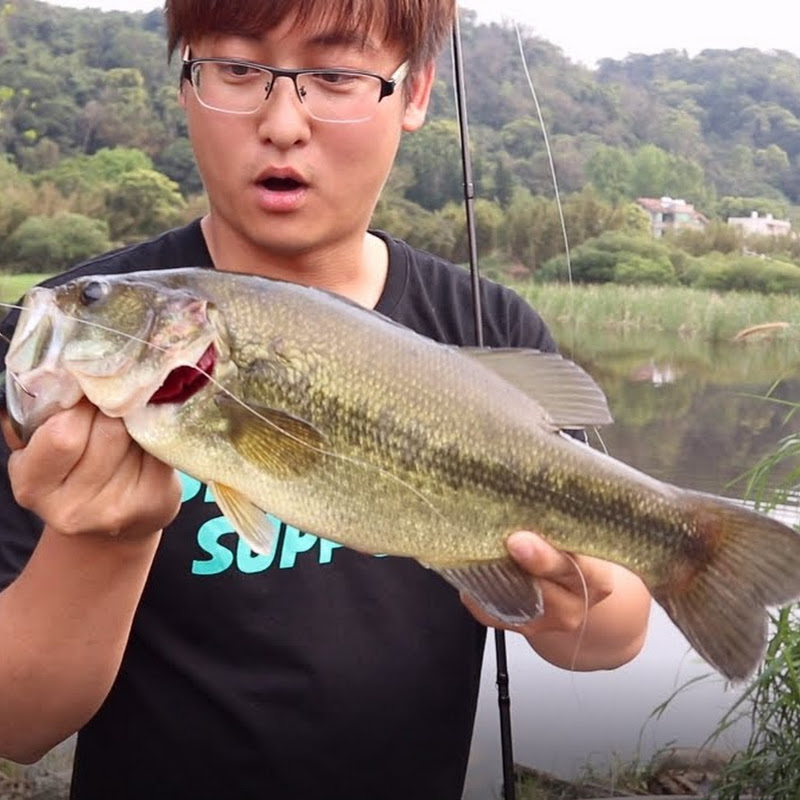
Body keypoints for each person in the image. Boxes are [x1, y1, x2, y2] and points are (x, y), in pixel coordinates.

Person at [0, 1, 651, 798]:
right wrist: (101, 543)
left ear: (414, 93)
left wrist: (579, 602)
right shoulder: (59, 362)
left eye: (337, 75)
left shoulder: (485, 328)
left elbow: (615, 636)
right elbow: (17, 727)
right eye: (237, 68)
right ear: (185, 81)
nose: (283, 123)